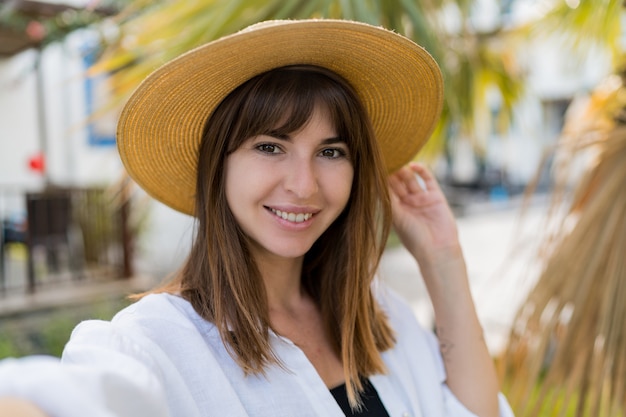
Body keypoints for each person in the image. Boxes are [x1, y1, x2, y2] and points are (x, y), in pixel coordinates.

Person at [0, 19, 514, 417]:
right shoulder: (158, 342)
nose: (304, 184)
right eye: (270, 146)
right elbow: (86, 397)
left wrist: (442, 258)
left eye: (331, 152)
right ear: (217, 165)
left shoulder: (377, 314)